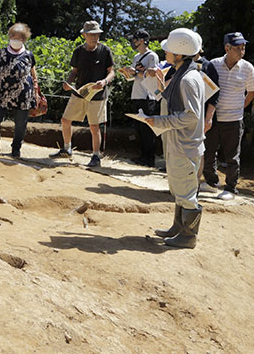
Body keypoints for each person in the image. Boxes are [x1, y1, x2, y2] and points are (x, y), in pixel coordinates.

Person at [146, 28, 205, 249]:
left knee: (187, 191)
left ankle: (188, 236)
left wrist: (159, 122)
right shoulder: (185, 73)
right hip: (179, 143)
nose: (166, 54)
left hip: (185, 145)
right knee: (179, 188)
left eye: (169, 51)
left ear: (179, 54)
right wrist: (162, 87)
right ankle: (178, 227)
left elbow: (191, 116)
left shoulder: (188, 79)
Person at [201, 32, 254, 200]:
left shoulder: (248, 67)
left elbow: (251, 93)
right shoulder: (214, 64)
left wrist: (240, 107)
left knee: (232, 155)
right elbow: (207, 89)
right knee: (208, 151)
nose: (241, 51)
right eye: (237, 48)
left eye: (243, 47)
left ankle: (231, 188)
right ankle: (212, 183)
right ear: (227, 48)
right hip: (214, 116)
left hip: (234, 119)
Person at [51, 20, 115, 167]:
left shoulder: (105, 51)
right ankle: (67, 148)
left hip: (98, 95)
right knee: (65, 120)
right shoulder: (78, 51)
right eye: (91, 34)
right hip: (79, 92)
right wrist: (68, 83)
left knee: (94, 126)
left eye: (97, 34)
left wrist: (104, 82)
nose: (95, 37)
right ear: (84, 35)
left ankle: (96, 156)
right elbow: (74, 72)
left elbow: (112, 72)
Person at [0, 23, 37, 158]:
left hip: (24, 95)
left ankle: (16, 149)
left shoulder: (29, 55)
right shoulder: (3, 53)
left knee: (20, 124)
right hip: (2, 93)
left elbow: (33, 72)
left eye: (18, 38)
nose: (15, 39)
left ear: (24, 39)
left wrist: (36, 88)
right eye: (12, 36)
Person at [122, 29, 159, 167]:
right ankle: (143, 155)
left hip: (147, 96)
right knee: (139, 127)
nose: (134, 42)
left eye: (135, 39)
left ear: (142, 41)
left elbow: (152, 75)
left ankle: (150, 158)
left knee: (147, 128)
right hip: (136, 94)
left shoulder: (152, 56)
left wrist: (136, 72)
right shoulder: (136, 57)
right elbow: (134, 76)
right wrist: (127, 72)